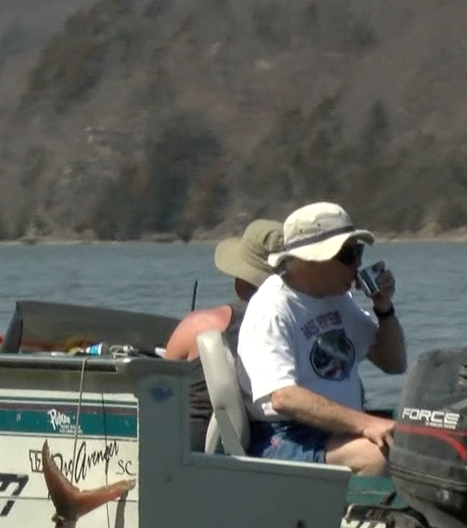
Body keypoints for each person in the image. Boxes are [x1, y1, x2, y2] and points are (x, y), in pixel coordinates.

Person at [235, 202, 407, 475]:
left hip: (338, 429)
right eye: (349, 255)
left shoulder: (339, 300)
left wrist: (384, 309)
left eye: (358, 252)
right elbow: (284, 398)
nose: (358, 265)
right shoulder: (272, 309)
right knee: (381, 456)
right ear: (313, 259)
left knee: (430, 442)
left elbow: (394, 363)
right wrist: (366, 424)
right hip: (286, 436)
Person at [164, 219, 284, 451]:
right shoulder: (299, 324)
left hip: (192, 451)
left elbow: (155, 390)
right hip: (266, 446)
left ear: (242, 277)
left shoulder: (200, 325)